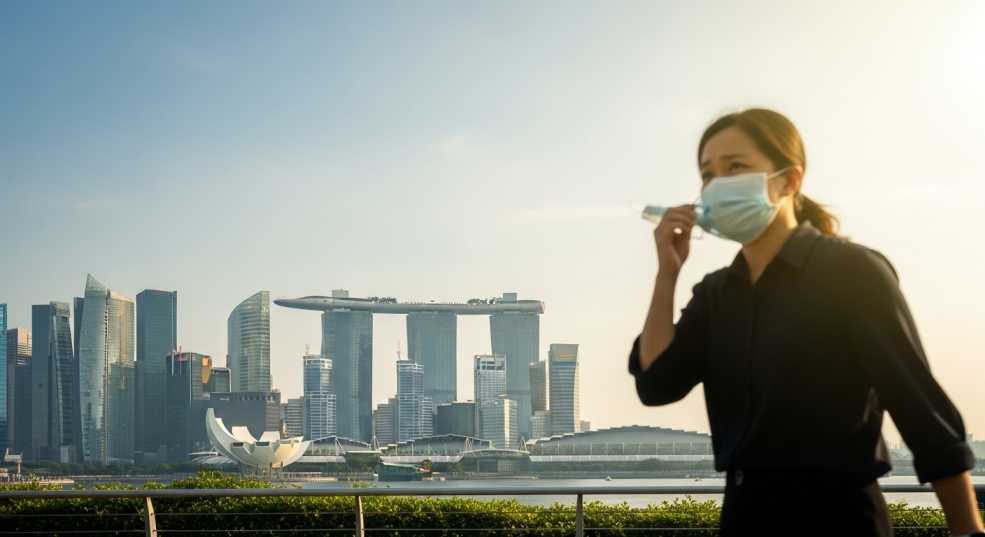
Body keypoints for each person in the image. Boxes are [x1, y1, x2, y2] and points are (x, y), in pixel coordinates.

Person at [629, 108, 983, 536]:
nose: (716, 185)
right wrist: (667, 273)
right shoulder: (716, 294)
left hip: (838, 518)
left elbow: (920, 409)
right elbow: (657, 385)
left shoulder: (852, 272)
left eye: (735, 167)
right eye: (707, 174)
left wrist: (966, 528)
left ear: (790, 180)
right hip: (744, 518)